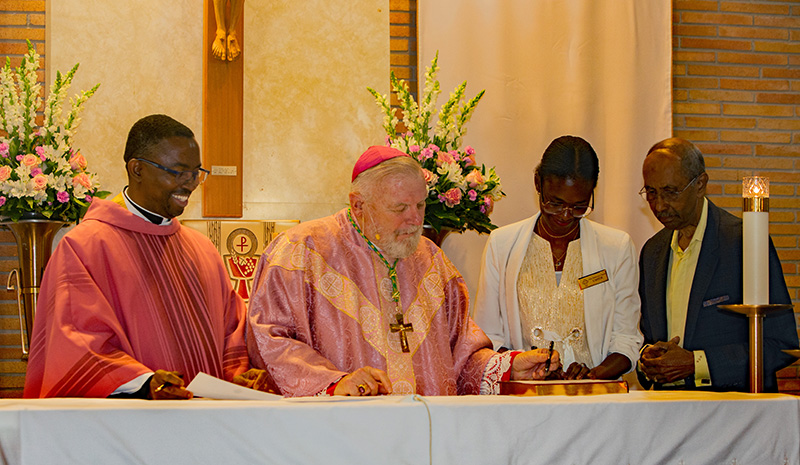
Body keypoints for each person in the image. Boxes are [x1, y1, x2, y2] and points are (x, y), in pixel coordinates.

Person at [246, 145, 559, 396]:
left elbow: (461, 355)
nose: (415, 220)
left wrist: (507, 368)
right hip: (343, 439)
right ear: (358, 206)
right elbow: (268, 340)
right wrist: (332, 383)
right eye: (400, 208)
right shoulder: (300, 253)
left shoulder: (432, 261)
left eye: (420, 206)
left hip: (428, 441)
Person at [24, 114, 269, 399]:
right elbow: (76, 340)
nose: (189, 184)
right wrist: (144, 383)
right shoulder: (84, 247)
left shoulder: (202, 250)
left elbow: (232, 332)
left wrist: (240, 377)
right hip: (130, 427)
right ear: (137, 169)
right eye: (177, 172)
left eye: (195, 173)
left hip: (206, 425)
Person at [473, 136, 643, 380]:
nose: (565, 215)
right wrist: (524, 367)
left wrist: (594, 375)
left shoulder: (616, 248)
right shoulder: (502, 244)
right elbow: (488, 336)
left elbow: (626, 338)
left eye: (579, 206)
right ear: (538, 184)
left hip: (594, 400)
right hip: (524, 397)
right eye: (555, 203)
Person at [638, 137, 798, 391]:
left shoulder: (742, 242)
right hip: (667, 411)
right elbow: (649, 338)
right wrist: (647, 360)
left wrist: (697, 363)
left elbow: (781, 344)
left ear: (700, 184)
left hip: (734, 412)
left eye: (670, 192)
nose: (659, 206)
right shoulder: (653, 251)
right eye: (651, 193)